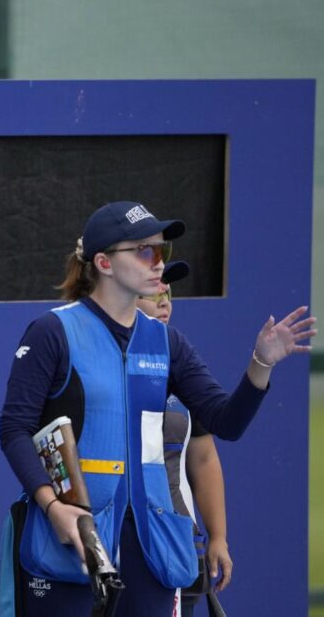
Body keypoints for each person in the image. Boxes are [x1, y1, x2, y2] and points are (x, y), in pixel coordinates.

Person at [0, 201, 314, 616]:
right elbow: (13, 429)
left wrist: (262, 363)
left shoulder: (168, 341)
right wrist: (52, 507)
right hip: (73, 539)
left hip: (154, 545)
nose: (158, 263)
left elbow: (225, 422)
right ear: (104, 262)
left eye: (161, 251)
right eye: (146, 251)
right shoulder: (52, 332)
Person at [136, 262, 231, 617]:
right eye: (153, 294)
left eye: (168, 295)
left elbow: (204, 458)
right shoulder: (95, 360)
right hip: (116, 545)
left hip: (179, 547)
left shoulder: (180, 362)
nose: (164, 303)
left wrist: (217, 537)